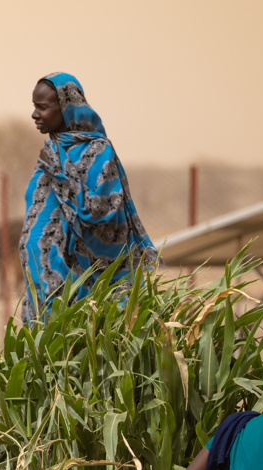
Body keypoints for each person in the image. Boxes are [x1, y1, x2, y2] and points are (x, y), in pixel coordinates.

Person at [19, 73, 157, 320]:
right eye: (34, 107)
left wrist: (60, 174)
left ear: (65, 107)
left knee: (71, 337)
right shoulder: (53, 151)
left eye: (42, 107)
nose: (34, 114)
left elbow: (103, 210)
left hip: (74, 274)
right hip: (41, 279)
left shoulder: (97, 150)